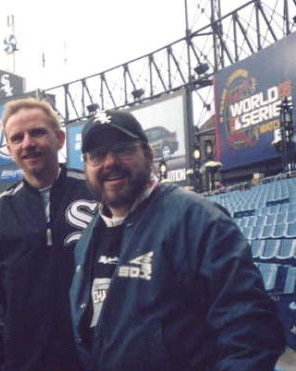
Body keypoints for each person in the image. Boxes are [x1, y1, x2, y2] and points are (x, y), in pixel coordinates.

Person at [69, 109, 286, 371]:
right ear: (86, 166)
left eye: (123, 149)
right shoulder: (89, 234)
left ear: (148, 154)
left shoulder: (199, 219)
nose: (110, 162)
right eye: (98, 155)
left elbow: (250, 332)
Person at [0, 98, 98, 371]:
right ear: (10, 149)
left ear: (60, 138)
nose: (27, 143)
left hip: (99, 358)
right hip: (27, 361)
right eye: (17, 138)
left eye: (37, 132)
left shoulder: (97, 193)